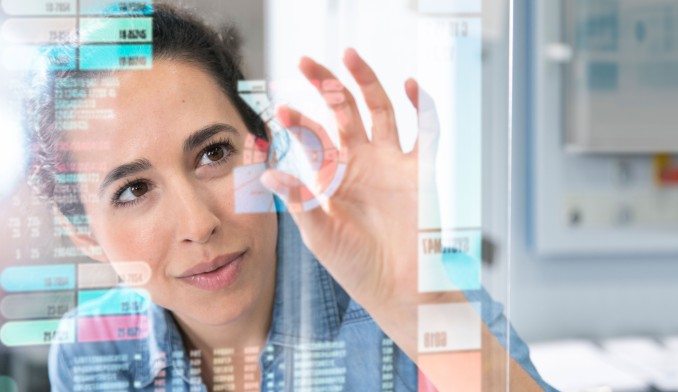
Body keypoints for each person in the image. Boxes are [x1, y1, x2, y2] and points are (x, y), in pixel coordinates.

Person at [25, 3, 557, 391]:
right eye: (134, 189)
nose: (198, 222)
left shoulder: (416, 290)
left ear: (264, 147)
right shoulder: (95, 350)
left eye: (213, 154)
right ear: (84, 234)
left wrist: (417, 306)